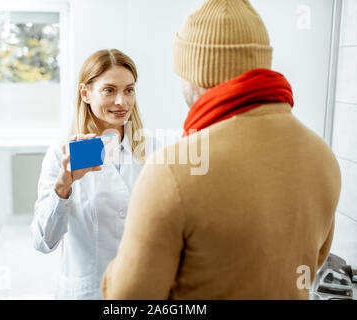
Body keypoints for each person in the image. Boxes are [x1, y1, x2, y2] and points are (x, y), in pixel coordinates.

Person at [101, 0, 341, 299]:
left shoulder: (173, 168)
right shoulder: (323, 156)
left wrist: (121, 264)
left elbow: (129, 299)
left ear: (195, 71)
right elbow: (311, 260)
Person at [31, 49, 151, 299]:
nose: (122, 101)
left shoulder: (151, 149)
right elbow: (43, 242)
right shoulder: (60, 154)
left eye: (129, 90)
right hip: (89, 291)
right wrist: (64, 184)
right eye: (109, 90)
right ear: (85, 93)